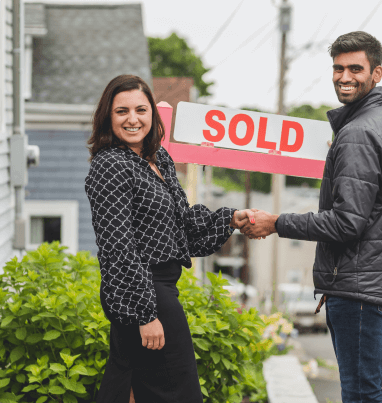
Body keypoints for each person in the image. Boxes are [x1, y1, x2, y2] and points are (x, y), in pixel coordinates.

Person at [240, 31, 382, 403]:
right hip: (365, 282)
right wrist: (348, 155)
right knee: (365, 388)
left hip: (358, 284)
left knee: (361, 392)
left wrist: (276, 222)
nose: (344, 76)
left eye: (356, 68)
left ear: (377, 73)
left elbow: (346, 223)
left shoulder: (359, 133)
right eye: (338, 68)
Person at [85, 74, 255, 403]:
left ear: (152, 113)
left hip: (157, 288)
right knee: (178, 392)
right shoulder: (110, 166)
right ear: (108, 116)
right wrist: (144, 314)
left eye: (140, 109)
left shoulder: (157, 159)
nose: (132, 119)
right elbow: (118, 249)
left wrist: (230, 218)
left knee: (132, 385)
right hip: (143, 291)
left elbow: (184, 221)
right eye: (122, 111)